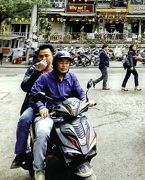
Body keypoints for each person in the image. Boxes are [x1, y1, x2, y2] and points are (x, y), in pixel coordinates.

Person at [28, 51, 94, 180]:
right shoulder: (45, 78)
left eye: (67, 63)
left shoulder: (72, 77)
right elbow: (34, 95)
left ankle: (80, 159)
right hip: (50, 113)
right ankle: (39, 168)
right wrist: (41, 107)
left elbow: (80, 92)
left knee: (85, 129)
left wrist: (86, 101)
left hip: (68, 112)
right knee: (42, 133)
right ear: (55, 64)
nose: (64, 65)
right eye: (61, 62)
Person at [10, 44, 55, 170]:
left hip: (54, 104)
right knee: (24, 120)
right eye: (41, 56)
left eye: (46, 55)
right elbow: (25, 87)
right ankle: (20, 154)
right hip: (34, 103)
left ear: (53, 56)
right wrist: (37, 71)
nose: (43, 58)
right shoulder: (32, 68)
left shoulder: (58, 69)